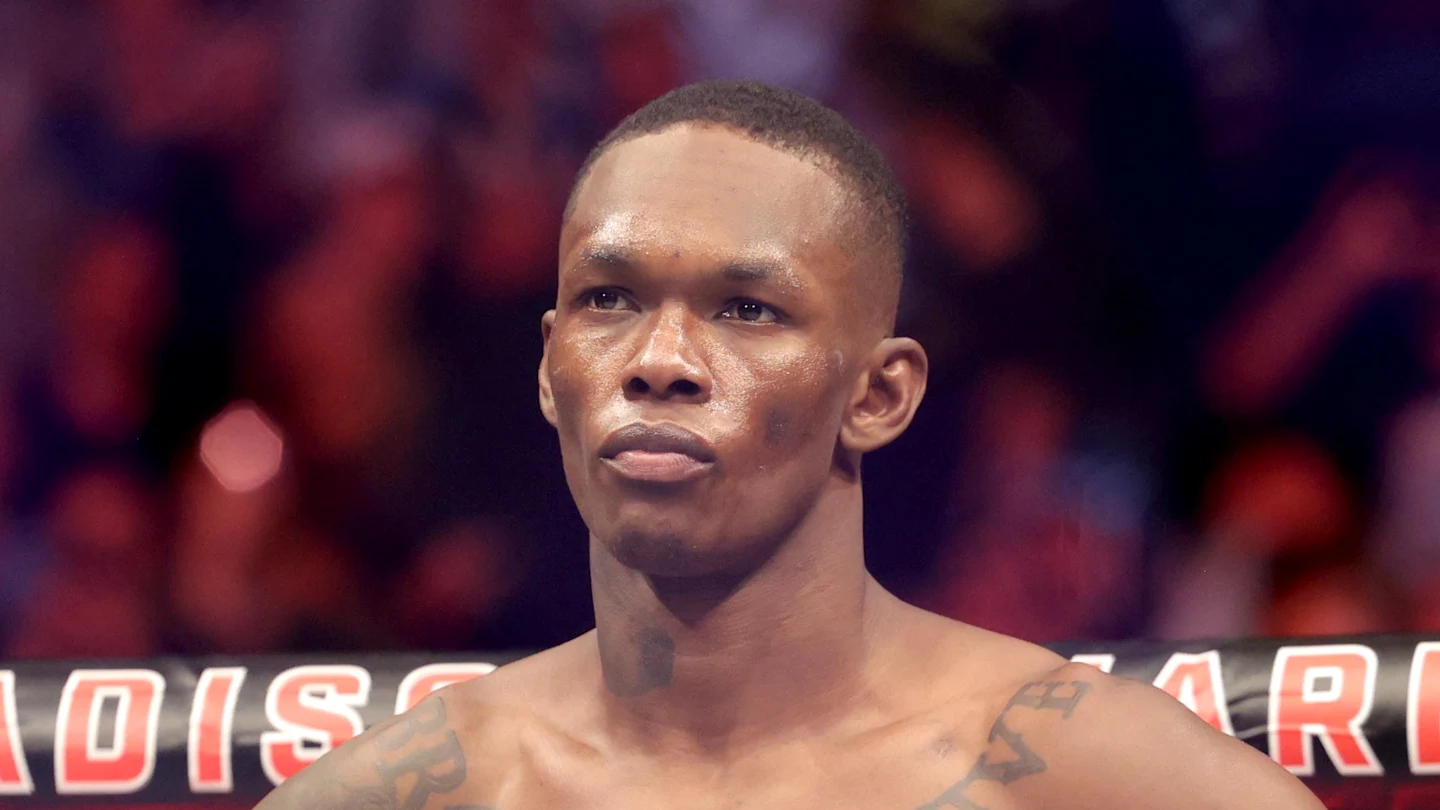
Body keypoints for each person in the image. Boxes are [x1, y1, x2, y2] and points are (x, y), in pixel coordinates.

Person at [255, 81, 1322, 810]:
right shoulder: (418, 792)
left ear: (879, 395)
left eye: (747, 309)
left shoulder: (1081, 773)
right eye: (609, 299)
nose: (660, 361)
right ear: (549, 370)